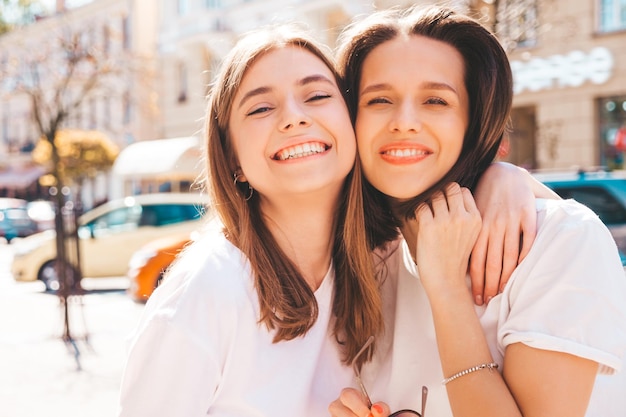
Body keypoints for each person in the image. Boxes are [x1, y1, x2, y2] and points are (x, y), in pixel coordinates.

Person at [117, 22, 550, 417]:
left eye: (318, 95)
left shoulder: (381, 259)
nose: (294, 117)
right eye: (260, 108)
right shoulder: (208, 290)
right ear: (232, 157)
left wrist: (501, 176)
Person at [330, 5, 626, 417]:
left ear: (473, 121)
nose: (405, 122)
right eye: (379, 100)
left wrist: (448, 290)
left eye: (436, 100)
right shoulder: (359, 259)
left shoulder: (560, 240)